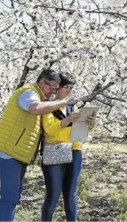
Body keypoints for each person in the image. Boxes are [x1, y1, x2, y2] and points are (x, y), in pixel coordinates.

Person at [0, 69, 78, 222]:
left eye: (56, 89)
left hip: (17, 153)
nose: (52, 92)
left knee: (13, 197)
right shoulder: (29, 93)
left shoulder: (40, 96)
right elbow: (35, 108)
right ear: (42, 82)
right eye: (51, 88)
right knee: (9, 197)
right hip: (9, 152)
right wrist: (63, 102)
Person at [41, 72, 96, 222]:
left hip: (74, 151)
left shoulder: (73, 106)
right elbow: (49, 130)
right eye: (66, 87)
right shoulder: (47, 106)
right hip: (55, 151)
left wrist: (89, 124)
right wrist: (66, 120)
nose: (69, 91)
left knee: (71, 194)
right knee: (53, 195)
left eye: (71, 88)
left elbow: (78, 130)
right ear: (57, 87)